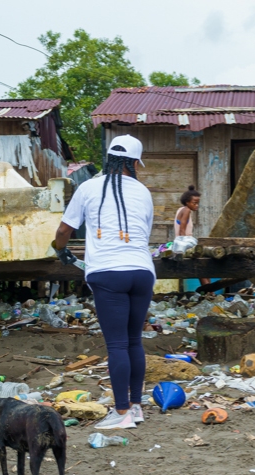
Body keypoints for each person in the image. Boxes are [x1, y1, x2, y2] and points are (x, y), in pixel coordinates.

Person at [54, 135, 155, 430]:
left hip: (108, 273)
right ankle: (135, 407)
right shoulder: (144, 192)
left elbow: (64, 229)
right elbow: (143, 233)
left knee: (117, 346)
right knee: (134, 340)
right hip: (142, 272)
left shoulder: (88, 187)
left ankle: (121, 412)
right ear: (135, 163)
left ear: (108, 159)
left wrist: (60, 250)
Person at [174, 185, 210, 286]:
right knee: (202, 266)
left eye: (198, 203)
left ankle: (207, 291)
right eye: (194, 203)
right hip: (185, 243)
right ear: (187, 202)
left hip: (183, 242)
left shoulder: (180, 209)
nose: (197, 205)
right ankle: (209, 291)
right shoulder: (186, 210)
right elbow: (182, 229)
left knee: (201, 268)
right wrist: (182, 246)